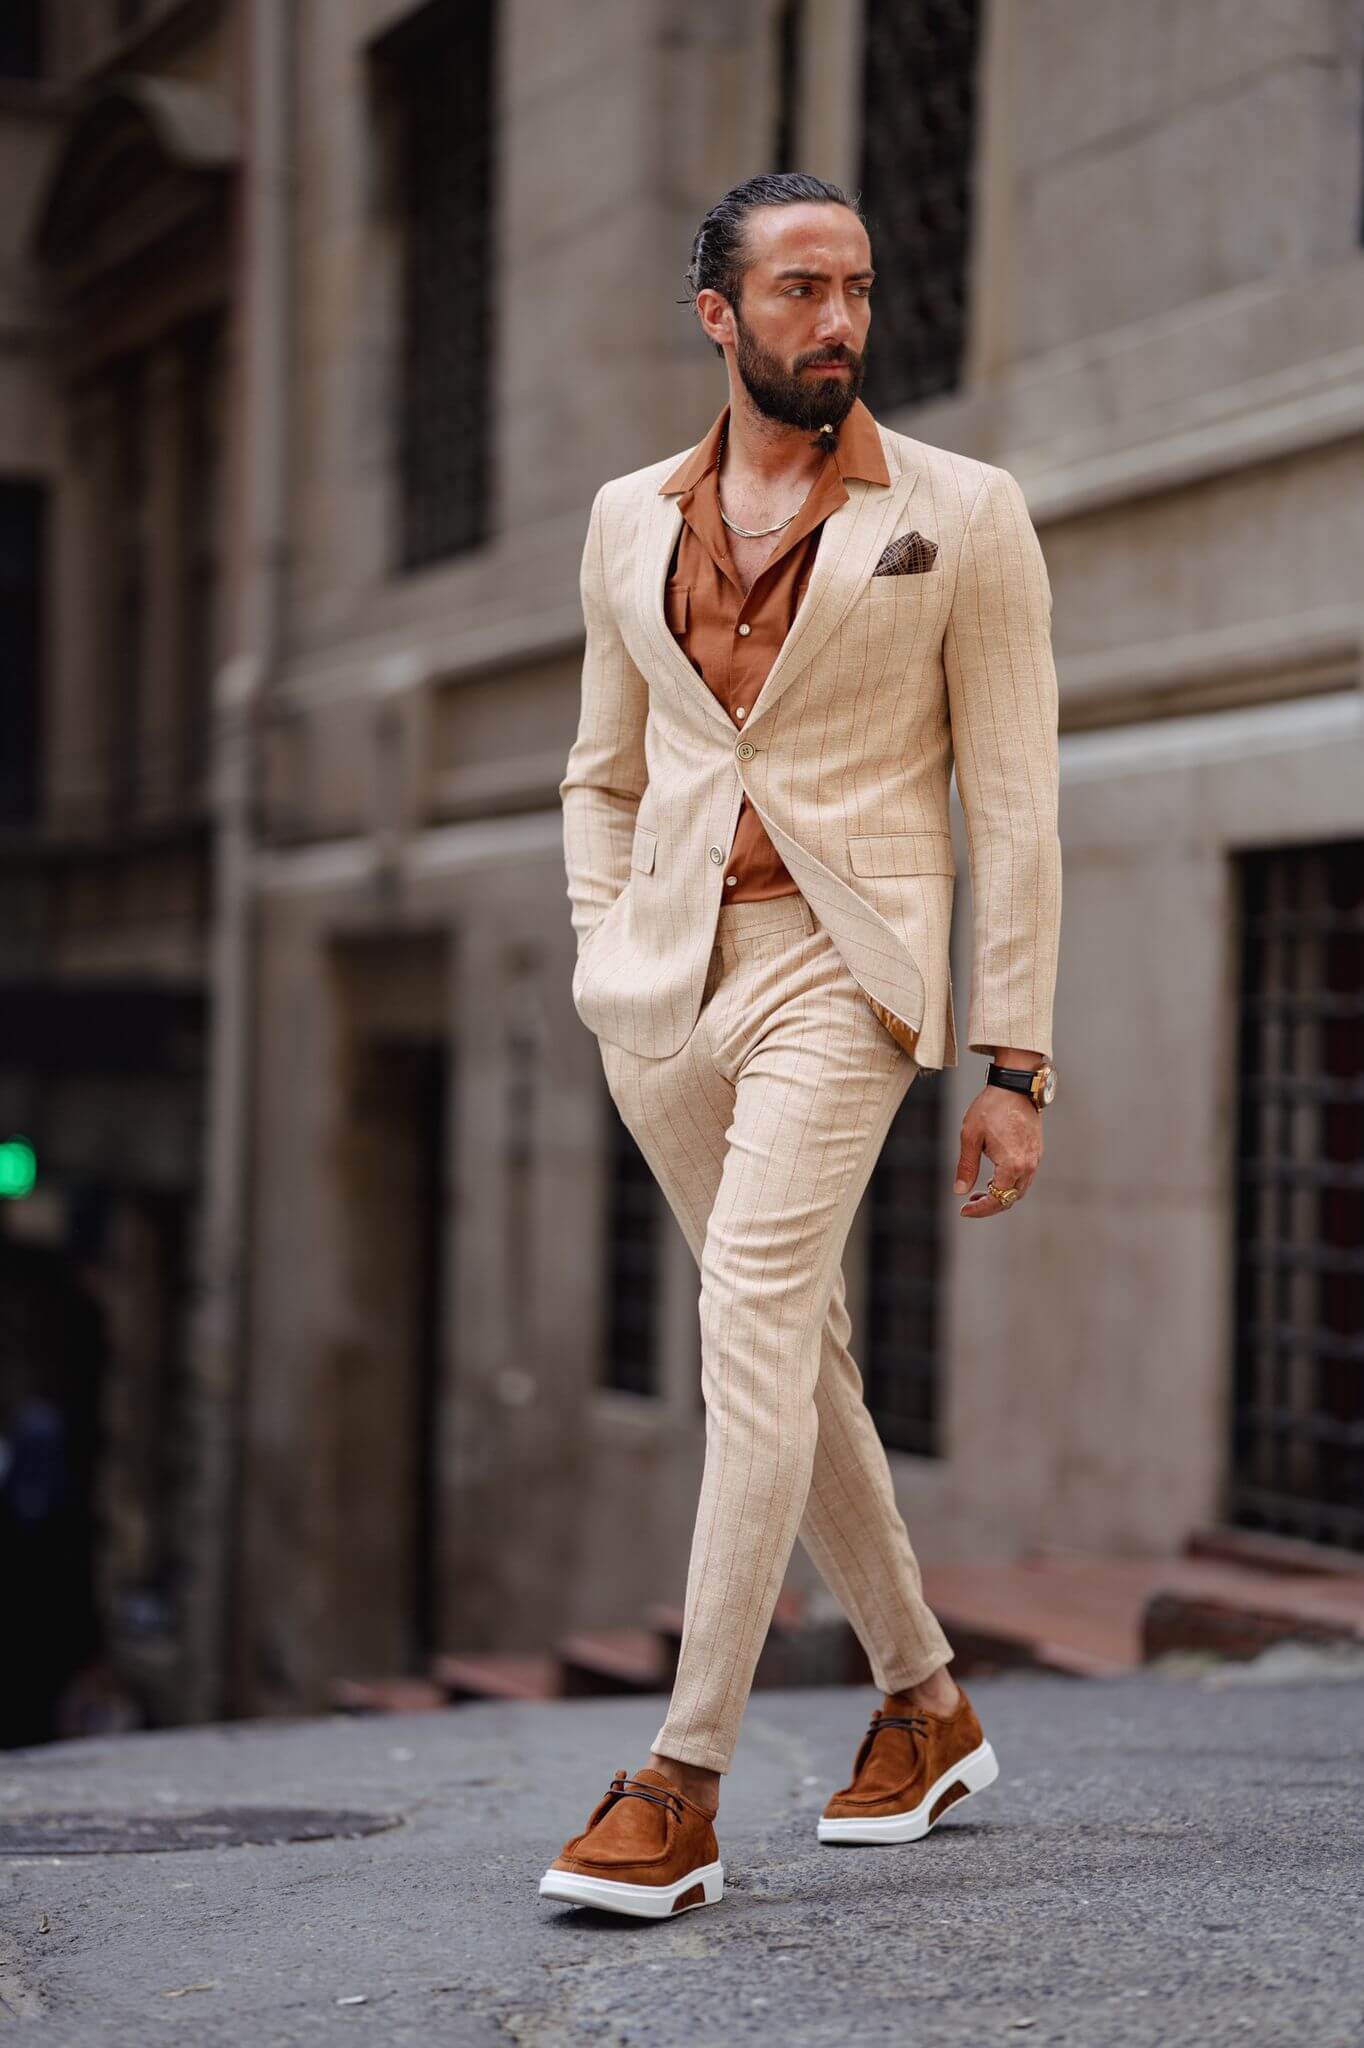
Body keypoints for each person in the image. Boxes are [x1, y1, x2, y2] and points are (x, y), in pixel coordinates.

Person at [542, 172, 1060, 1918]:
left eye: (857, 286)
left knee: (751, 1319)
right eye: (799, 290)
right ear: (720, 315)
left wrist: (1018, 1058)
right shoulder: (626, 517)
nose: (837, 319)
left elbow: (1019, 801)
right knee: (801, 1361)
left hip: (853, 970)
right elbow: (602, 771)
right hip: (666, 987)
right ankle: (922, 1704)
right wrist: (605, 948)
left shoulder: (963, 513)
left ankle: (680, 1783)